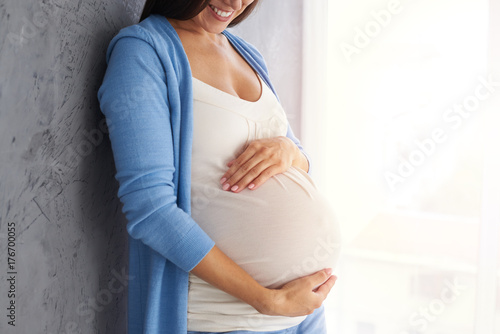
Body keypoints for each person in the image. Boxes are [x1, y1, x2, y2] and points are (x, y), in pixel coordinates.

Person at [97, 1, 342, 333]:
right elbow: (151, 210)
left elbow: (299, 158)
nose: (235, 3)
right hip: (225, 321)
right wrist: (268, 301)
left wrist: (287, 150)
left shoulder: (246, 53)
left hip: (303, 315)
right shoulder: (143, 53)